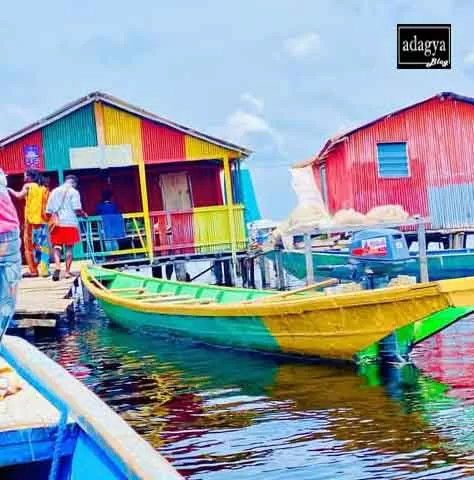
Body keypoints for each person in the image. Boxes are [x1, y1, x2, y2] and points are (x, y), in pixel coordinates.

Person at [8, 169, 50, 278]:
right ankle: (45, 270)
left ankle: (33, 270)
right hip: (43, 221)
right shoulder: (44, 188)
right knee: (44, 246)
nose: (24, 177)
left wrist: (8, 189)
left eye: (25, 175)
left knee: (30, 246)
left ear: (30, 177)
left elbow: (19, 196)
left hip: (31, 221)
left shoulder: (28, 186)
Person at [45, 175, 87, 281]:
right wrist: (84, 214)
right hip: (70, 223)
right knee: (69, 248)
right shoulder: (74, 192)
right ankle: (67, 272)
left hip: (57, 224)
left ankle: (58, 267)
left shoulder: (54, 191)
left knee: (57, 247)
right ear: (74, 183)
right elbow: (77, 209)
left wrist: (54, 219)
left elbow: (48, 211)